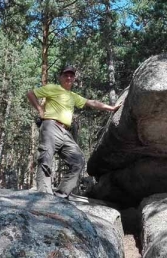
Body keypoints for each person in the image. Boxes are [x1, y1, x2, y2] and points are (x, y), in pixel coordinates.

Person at [26, 65, 121, 200]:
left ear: (74, 78)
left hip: (65, 131)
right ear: (60, 77)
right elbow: (31, 93)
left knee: (78, 160)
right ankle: (43, 196)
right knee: (46, 158)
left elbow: (92, 103)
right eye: (66, 75)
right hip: (50, 127)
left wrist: (111, 108)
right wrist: (40, 110)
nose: (69, 77)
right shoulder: (52, 88)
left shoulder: (73, 96)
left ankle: (61, 195)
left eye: (71, 75)